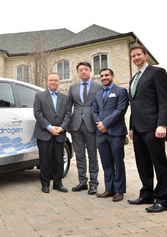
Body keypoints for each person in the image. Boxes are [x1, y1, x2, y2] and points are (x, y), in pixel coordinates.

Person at [127, 45, 167, 213]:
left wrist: (162, 124)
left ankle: (162, 199)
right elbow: (134, 105)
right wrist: (131, 127)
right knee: (142, 163)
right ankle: (146, 194)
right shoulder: (133, 79)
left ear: (145, 55)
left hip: (153, 127)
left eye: (139, 54)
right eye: (133, 56)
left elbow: (164, 101)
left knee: (159, 164)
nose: (136, 58)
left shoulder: (157, 72)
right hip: (137, 129)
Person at [91, 68, 128, 202]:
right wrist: (100, 124)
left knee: (118, 162)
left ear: (112, 76)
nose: (104, 77)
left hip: (116, 133)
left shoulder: (121, 91)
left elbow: (120, 110)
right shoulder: (98, 94)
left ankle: (119, 191)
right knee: (106, 163)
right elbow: (93, 111)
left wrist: (105, 124)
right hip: (101, 134)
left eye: (107, 75)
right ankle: (109, 189)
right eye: (101, 76)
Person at [68, 62, 103, 195]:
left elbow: (102, 105)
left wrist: (100, 122)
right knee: (80, 155)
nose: (83, 72)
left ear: (91, 71)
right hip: (76, 126)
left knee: (93, 155)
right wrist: (68, 124)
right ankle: (82, 182)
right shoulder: (72, 87)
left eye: (86, 70)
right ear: (78, 72)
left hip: (92, 125)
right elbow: (68, 106)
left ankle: (93, 183)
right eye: (81, 70)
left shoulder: (98, 86)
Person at [33, 72, 71, 193]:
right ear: (47, 81)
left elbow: (68, 114)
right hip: (44, 133)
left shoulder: (65, 98)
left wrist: (62, 128)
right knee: (44, 160)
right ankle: (45, 184)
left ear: (58, 82)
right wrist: (49, 127)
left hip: (59, 133)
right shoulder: (39, 96)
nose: (53, 82)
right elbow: (37, 113)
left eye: (55, 80)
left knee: (59, 160)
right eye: (51, 80)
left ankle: (58, 183)